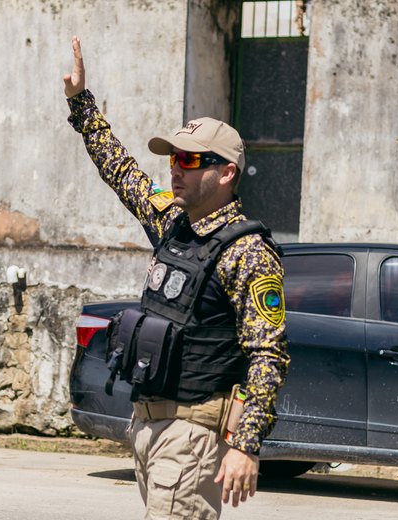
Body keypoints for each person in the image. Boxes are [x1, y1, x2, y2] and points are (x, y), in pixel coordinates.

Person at [63, 36, 289, 519]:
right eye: (173, 159)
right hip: (145, 428)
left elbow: (268, 355)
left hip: (193, 436)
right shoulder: (174, 224)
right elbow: (122, 171)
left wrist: (245, 445)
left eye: (189, 160)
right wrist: (81, 104)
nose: (175, 170)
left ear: (226, 173)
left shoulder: (247, 252)